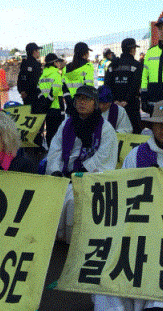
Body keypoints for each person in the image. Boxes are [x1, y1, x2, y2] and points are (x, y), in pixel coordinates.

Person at [94, 100, 163, 311]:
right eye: (159, 124)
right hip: (137, 232)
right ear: (151, 126)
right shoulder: (137, 154)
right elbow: (123, 193)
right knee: (111, 280)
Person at [46, 85, 118, 243]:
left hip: (89, 176)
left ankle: (73, 241)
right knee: (52, 197)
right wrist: (56, 171)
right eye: (78, 99)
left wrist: (82, 171)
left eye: (87, 99)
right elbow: (55, 150)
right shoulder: (67, 124)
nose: (81, 103)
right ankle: (54, 238)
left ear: (95, 103)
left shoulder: (105, 129)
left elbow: (105, 157)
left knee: (73, 201)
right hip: (64, 174)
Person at [105, 37, 143, 133]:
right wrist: (126, 100)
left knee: (116, 131)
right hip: (131, 105)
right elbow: (135, 85)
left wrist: (114, 100)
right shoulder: (136, 65)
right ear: (132, 49)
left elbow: (107, 85)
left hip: (114, 106)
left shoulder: (112, 65)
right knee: (135, 132)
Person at [17, 42, 42, 109]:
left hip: (25, 96)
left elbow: (20, 78)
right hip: (35, 96)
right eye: (38, 51)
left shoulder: (24, 63)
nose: (39, 52)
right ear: (34, 51)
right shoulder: (36, 65)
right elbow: (36, 81)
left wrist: (22, 91)